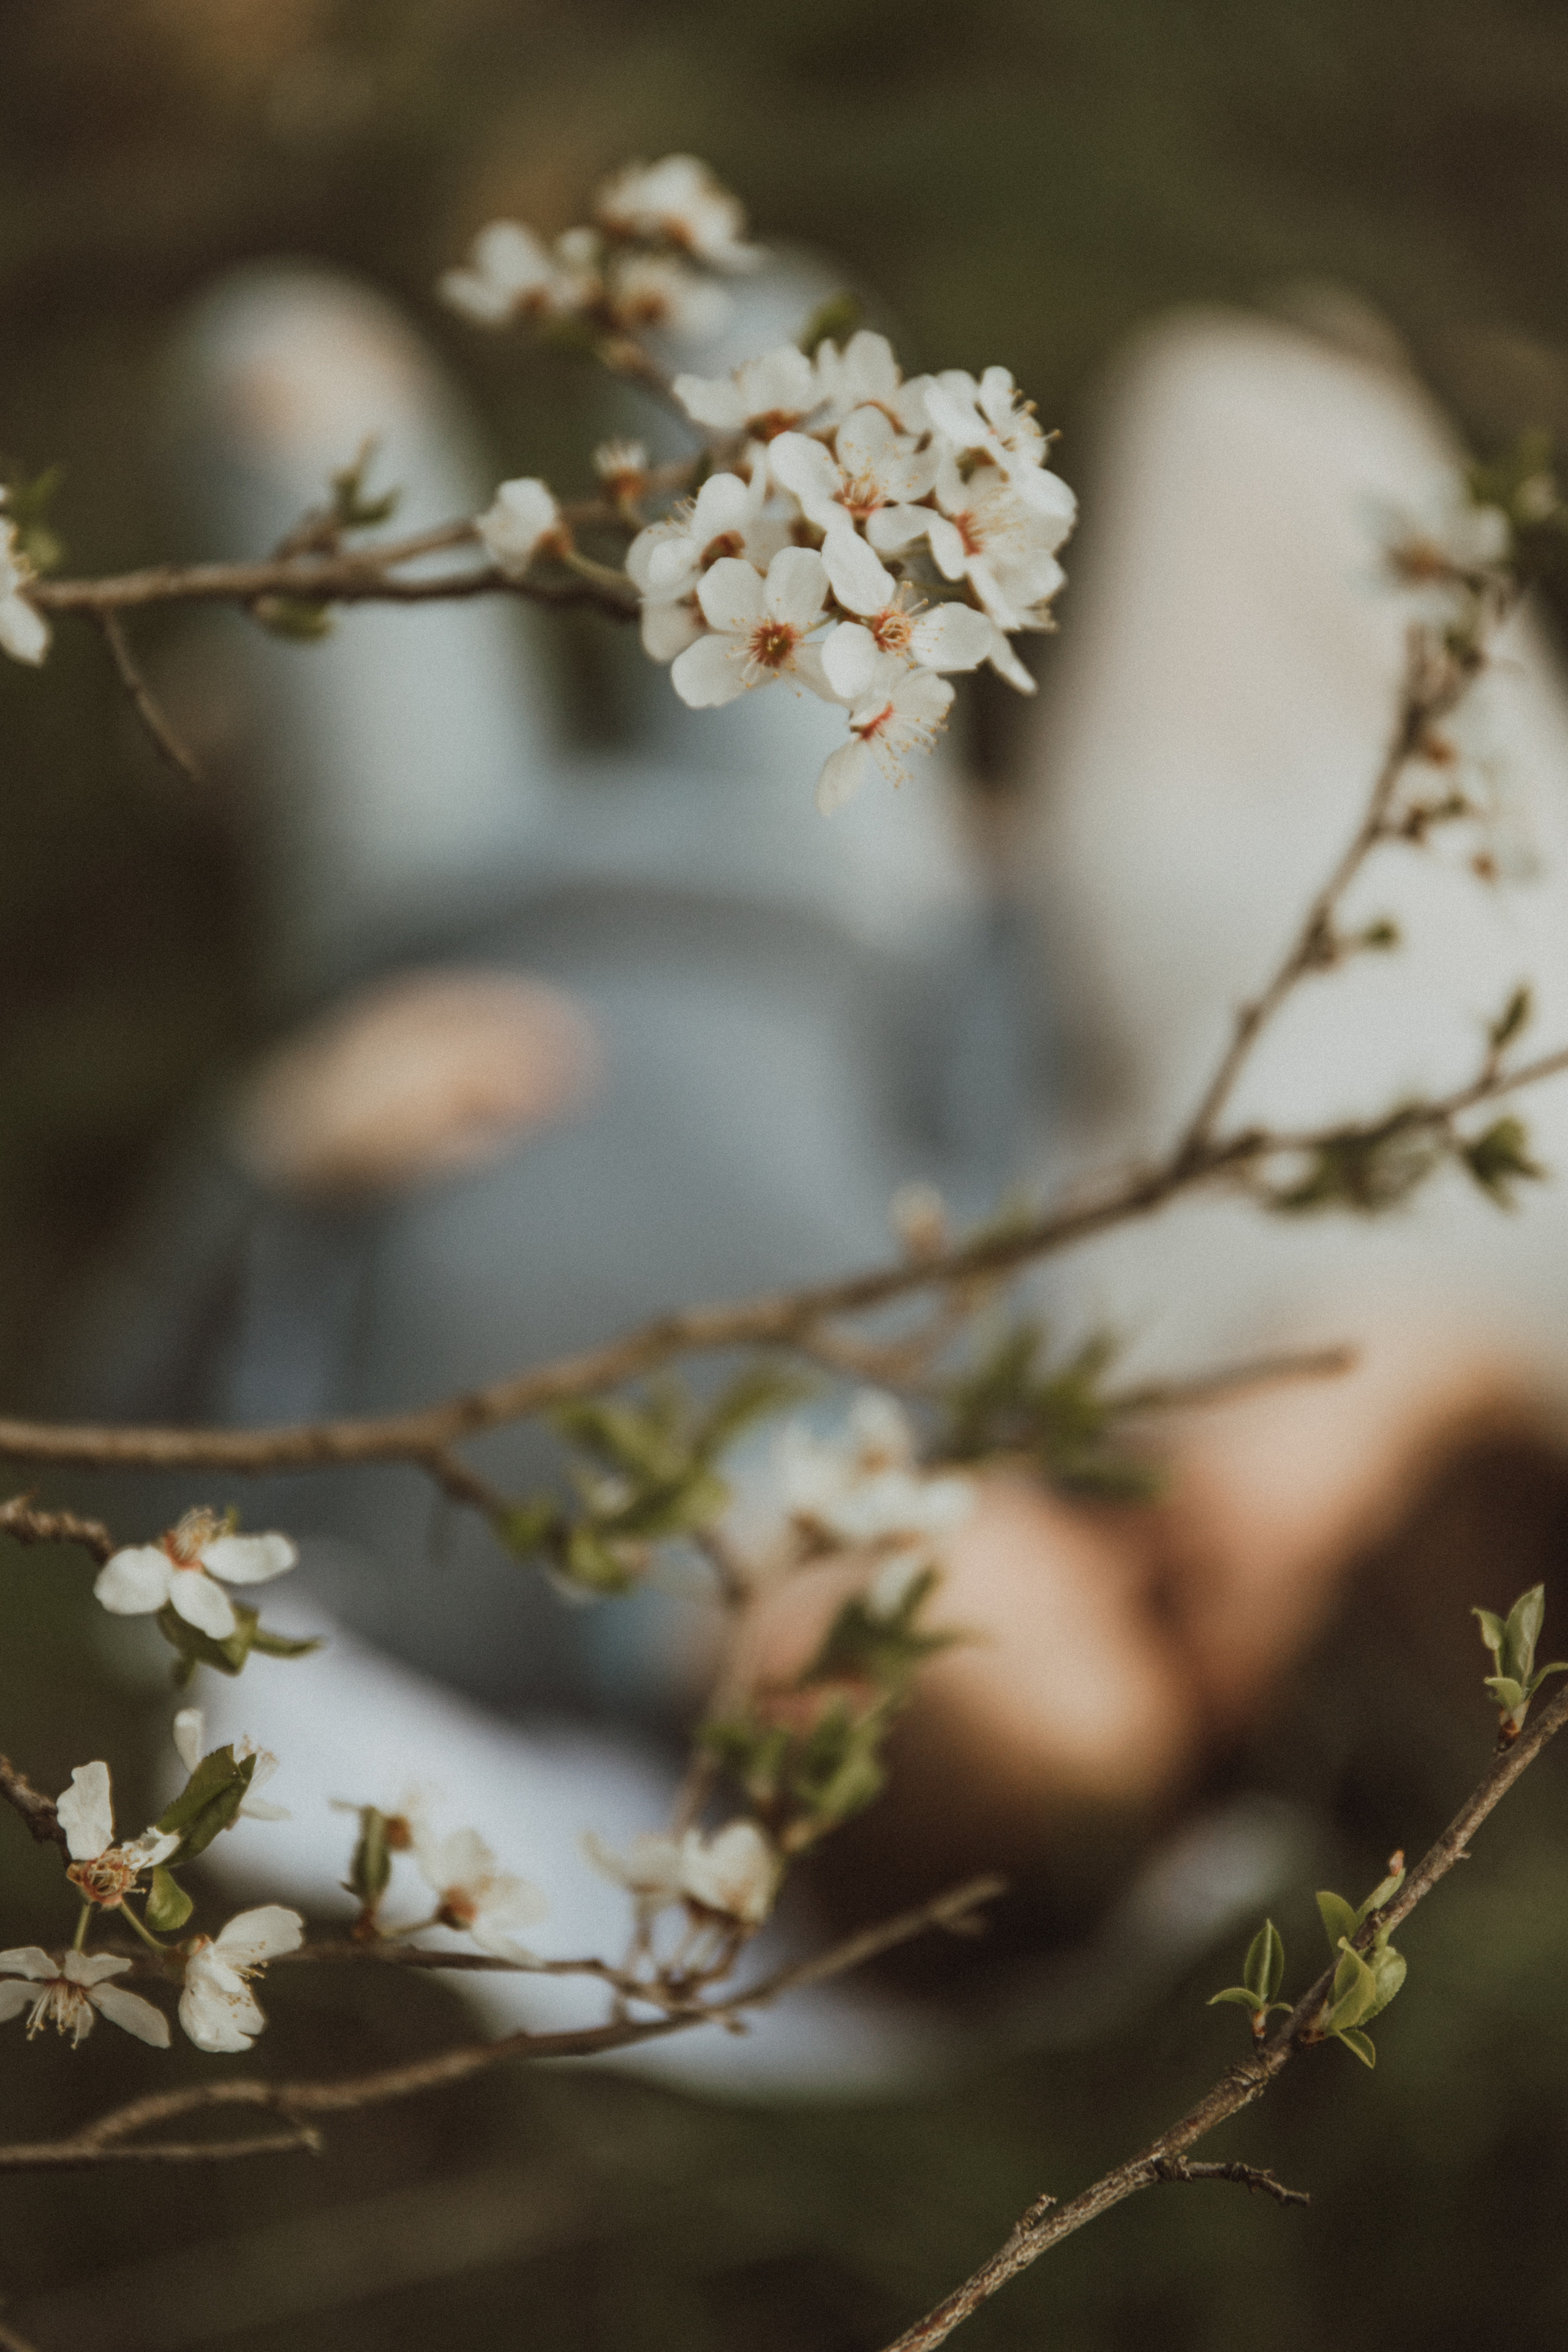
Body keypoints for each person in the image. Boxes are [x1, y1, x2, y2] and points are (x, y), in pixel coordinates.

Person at [67, 260, 1568, 2082]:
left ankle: (257, 640)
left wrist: (280, 1149)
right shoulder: (983, 1381)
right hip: (806, 884)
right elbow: (980, 1097)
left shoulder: (451, 1589)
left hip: (438, 903)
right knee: (724, 325)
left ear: (825, 1690)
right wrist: (989, 921)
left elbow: (139, 1427)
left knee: (281, 365)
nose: (1111, 1546)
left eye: (1078, 1613)